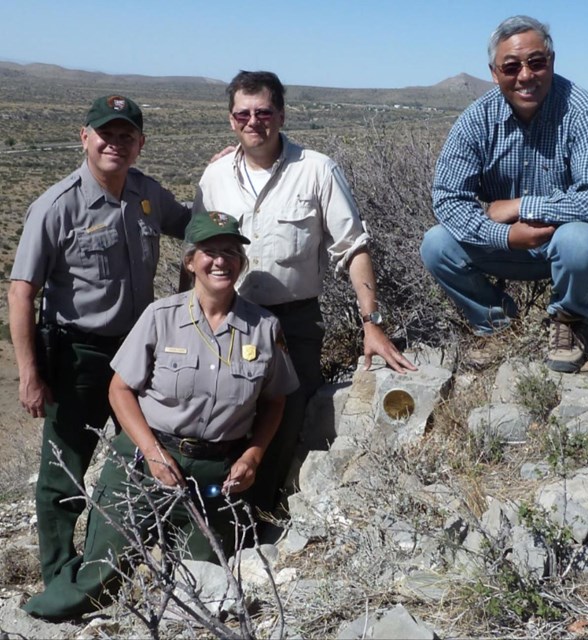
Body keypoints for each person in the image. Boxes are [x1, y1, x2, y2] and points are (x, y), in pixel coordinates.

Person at [23, 212, 300, 620]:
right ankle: (31, 616)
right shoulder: (160, 317)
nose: (221, 261)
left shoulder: (264, 327)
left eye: (230, 252)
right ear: (190, 261)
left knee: (200, 588)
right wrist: (152, 453)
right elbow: (119, 390)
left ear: (242, 262)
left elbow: (276, 400)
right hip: (143, 462)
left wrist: (253, 456)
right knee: (100, 579)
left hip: (215, 472)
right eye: (210, 252)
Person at [194, 70, 417, 518]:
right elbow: (198, 251)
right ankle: (210, 512)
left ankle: (257, 518)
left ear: (281, 114)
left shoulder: (316, 169)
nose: (254, 121)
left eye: (263, 112)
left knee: (286, 419)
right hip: (226, 320)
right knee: (219, 416)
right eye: (243, 113)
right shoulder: (215, 175)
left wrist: (371, 325)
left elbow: (353, 247)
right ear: (230, 119)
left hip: (292, 323)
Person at [8, 95, 191, 587]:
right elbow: (23, 292)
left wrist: (224, 181)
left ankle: (148, 552)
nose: (115, 143)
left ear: (140, 144)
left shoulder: (147, 193)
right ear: (84, 137)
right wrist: (30, 373)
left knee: (150, 449)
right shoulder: (55, 206)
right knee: (65, 467)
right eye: (105, 133)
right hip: (79, 354)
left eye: (126, 135)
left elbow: (193, 225)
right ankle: (60, 575)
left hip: (138, 352)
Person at [420, 15, 588, 373]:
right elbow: (448, 198)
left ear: (552, 62)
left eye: (536, 62)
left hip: (572, 243)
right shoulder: (476, 120)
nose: (525, 75)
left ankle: (568, 322)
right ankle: (496, 325)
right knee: (437, 244)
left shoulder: (583, 112)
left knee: (578, 242)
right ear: (495, 72)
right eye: (511, 66)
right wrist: (506, 235)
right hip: (511, 246)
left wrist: (520, 206)